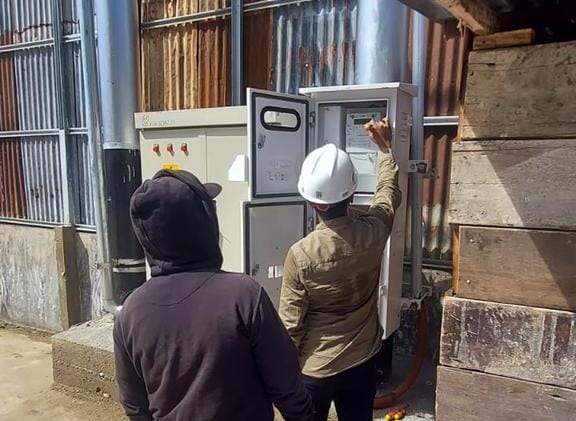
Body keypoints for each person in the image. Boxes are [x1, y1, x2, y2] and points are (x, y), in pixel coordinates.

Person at [113, 169, 313, 421]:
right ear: (202, 224)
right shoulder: (244, 295)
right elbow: (287, 387)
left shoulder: (130, 313)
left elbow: (135, 407)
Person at [278, 118, 401, 421]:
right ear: (351, 193)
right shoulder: (375, 230)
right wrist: (384, 149)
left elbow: (291, 326)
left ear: (313, 202)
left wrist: (279, 380)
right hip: (363, 359)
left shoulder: (301, 254)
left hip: (316, 369)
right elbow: (387, 194)